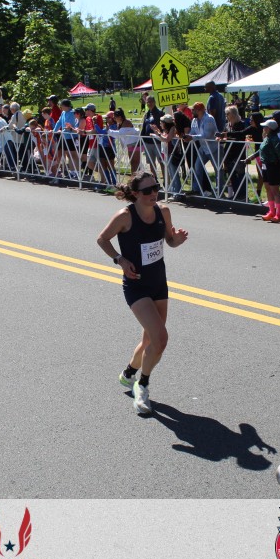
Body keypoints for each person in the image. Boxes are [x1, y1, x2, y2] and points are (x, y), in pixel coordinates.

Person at [96, 172, 189, 414]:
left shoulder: (163, 211)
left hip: (158, 283)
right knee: (161, 339)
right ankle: (143, 385)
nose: (153, 193)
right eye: (147, 190)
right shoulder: (125, 216)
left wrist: (177, 240)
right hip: (136, 284)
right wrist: (120, 259)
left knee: (150, 340)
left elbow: (169, 241)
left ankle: (128, 374)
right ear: (136, 194)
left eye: (156, 188)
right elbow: (102, 239)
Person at [250, 119, 280, 222]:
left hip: (273, 166)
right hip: (265, 165)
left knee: (275, 190)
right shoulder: (266, 138)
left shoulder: (274, 139)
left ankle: (279, 214)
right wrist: (251, 157)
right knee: (268, 188)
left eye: (265, 127)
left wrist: (278, 165)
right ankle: (271, 211)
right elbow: (261, 150)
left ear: (270, 128)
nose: (263, 128)